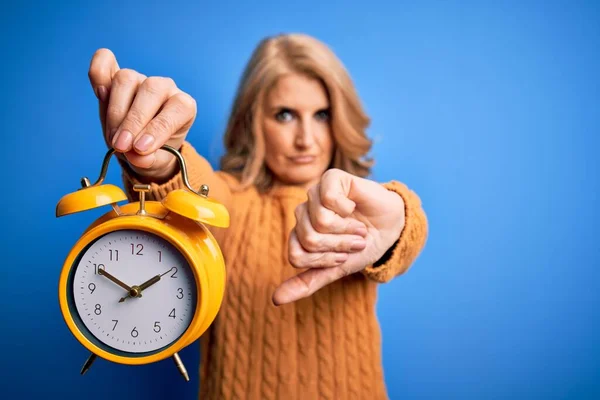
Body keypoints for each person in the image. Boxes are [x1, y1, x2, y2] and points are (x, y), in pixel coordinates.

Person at [88, 33, 428, 399]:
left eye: (322, 115)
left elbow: (403, 224)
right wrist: (161, 159)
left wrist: (400, 216)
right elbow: (194, 195)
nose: (307, 139)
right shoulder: (230, 204)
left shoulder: (358, 208)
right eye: (285, 115)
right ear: (253, 121)